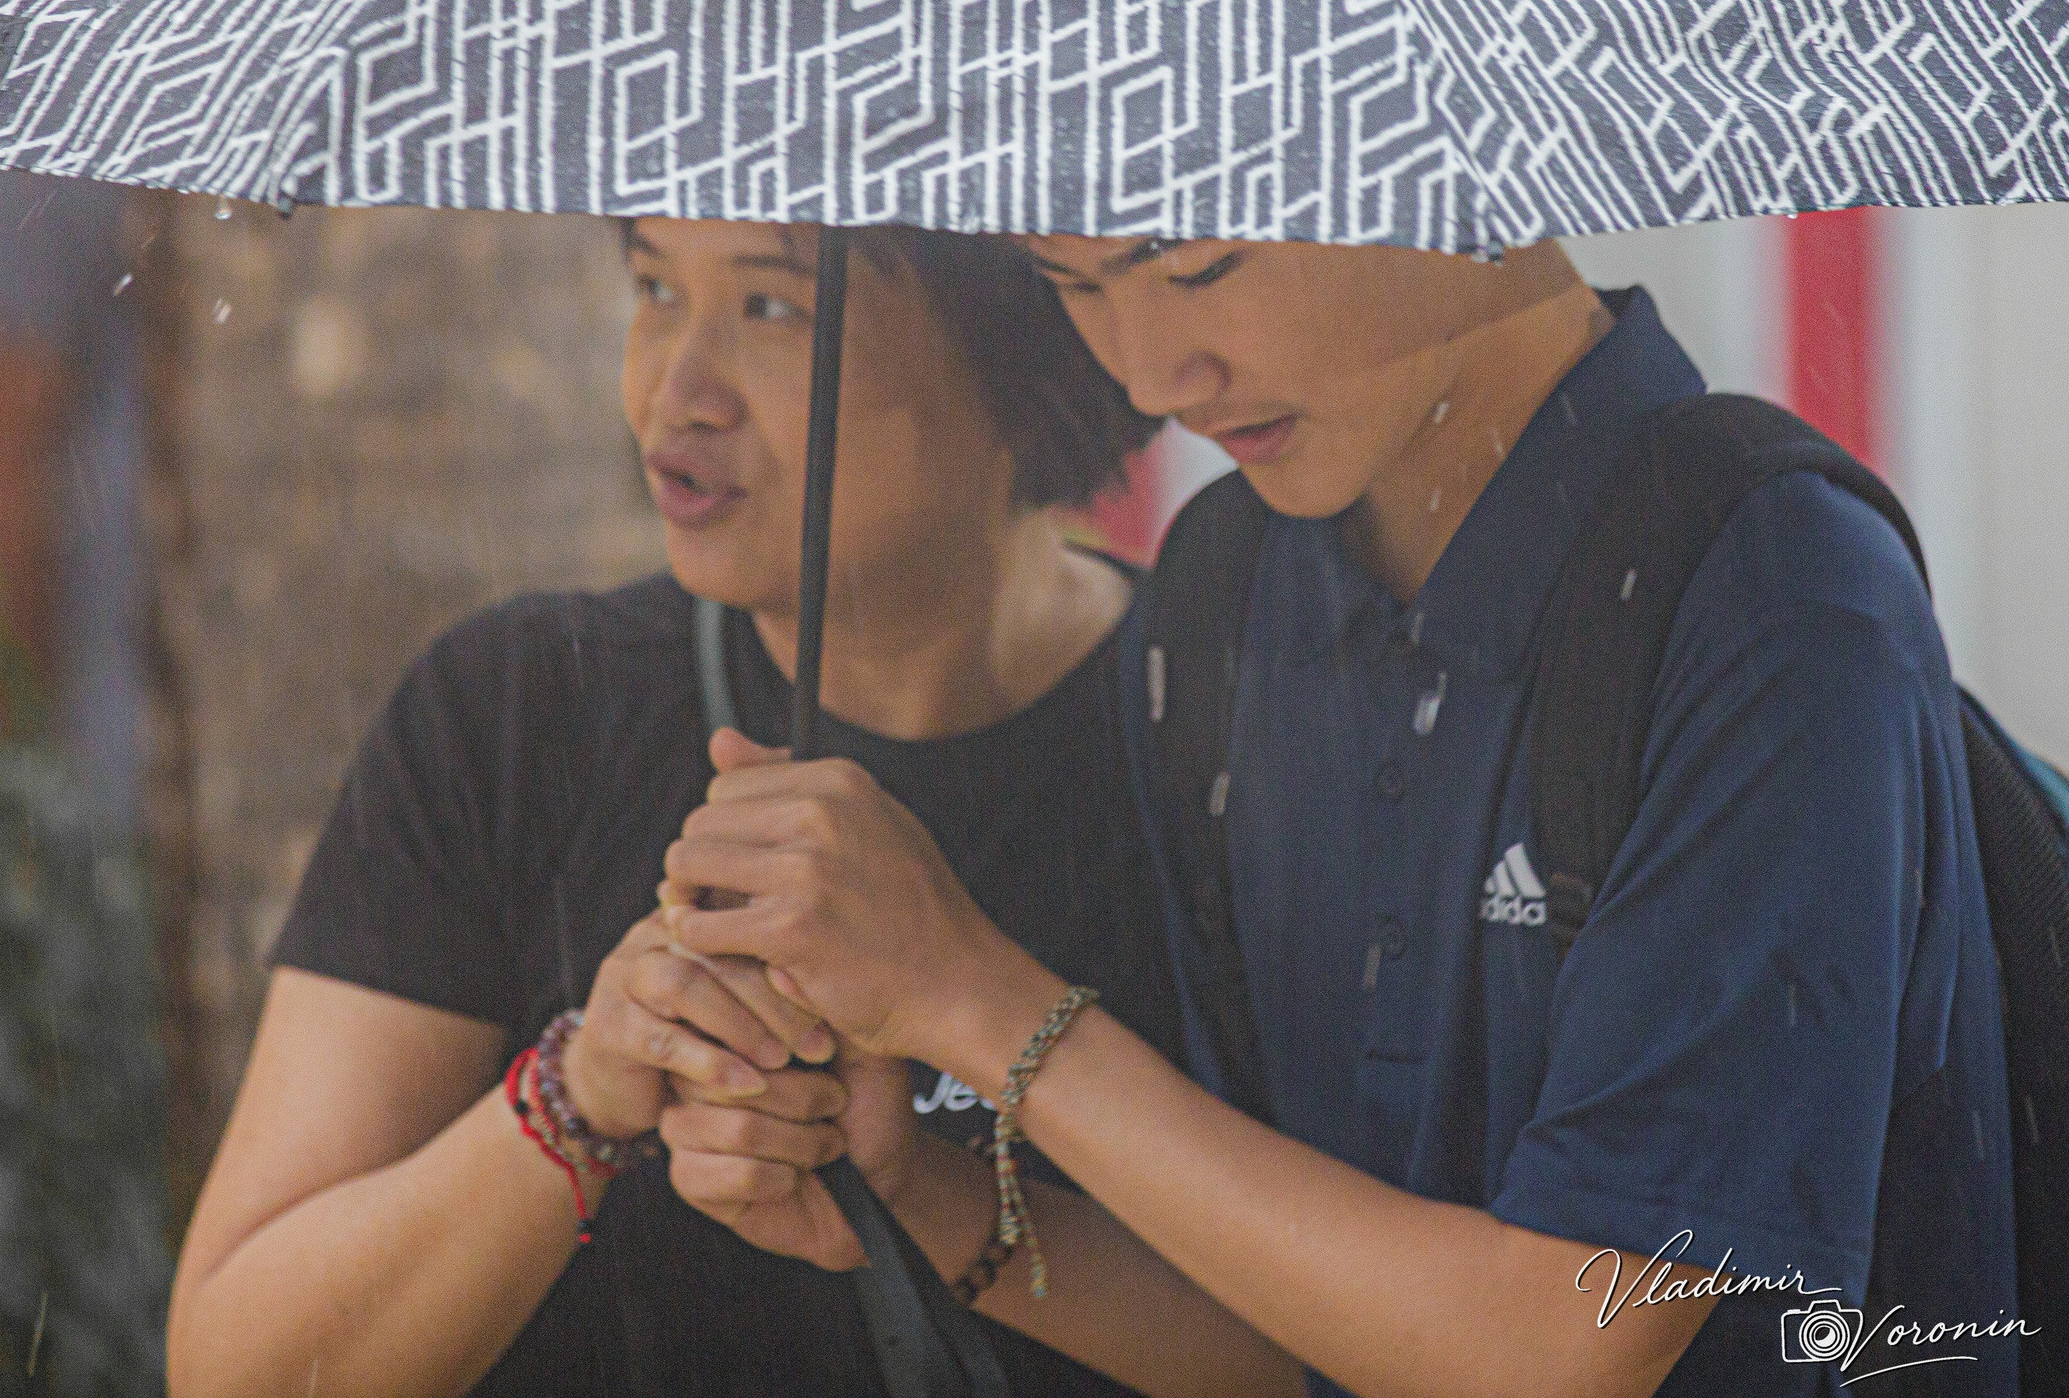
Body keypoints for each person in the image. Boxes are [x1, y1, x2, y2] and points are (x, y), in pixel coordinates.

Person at [659, 236, 2016, 1398]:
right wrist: (909, 1186)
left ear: (1461, 168)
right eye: (1073, 282)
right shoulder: (1222, 590)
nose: (1149, 374)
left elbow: (1562, 1348)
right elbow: (1287, 1337)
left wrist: (971, 997)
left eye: (1198, 267)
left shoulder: (1772, 591)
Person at [166, 216, 1196, 1398]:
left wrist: (951, 1071)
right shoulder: (519, 713)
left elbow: (1325, 1350)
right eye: (654, 285)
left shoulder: (1222, 731)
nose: (674, 387)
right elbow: (236, 1363)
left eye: (772, 308)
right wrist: (585, 1092)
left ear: (1028, 346)